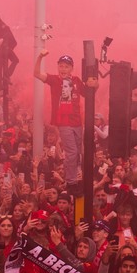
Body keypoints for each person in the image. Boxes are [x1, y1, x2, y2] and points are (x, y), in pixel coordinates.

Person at [34, 50, 98, 190]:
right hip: (63, 122)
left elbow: (88, 94)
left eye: (66, 66)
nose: (63, 69)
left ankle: (77, 178)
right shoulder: (54, 80)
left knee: (80, 152)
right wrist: (40, 57)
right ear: (58, 67)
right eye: (61, 66)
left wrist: (95, 85)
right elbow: (37, 73)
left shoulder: (76, 81)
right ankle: (71, 182)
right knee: (72, 152)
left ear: (71, 68)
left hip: (77, 123)